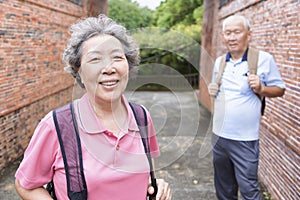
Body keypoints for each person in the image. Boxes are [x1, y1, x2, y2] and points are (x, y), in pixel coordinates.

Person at [15, 14, 172, 200]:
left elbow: (144, 174)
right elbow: (26, 185)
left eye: (117, 57)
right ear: (78, 71)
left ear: (128, 65)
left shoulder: (141, 116)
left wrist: (155, 186)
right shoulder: (57, 126)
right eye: (95, 59)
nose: (108, 68)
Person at [208, 15, 285, 200]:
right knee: (224, 190)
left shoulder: (263, 59)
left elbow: (280, 90)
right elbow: (217, 93)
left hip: (245, 140)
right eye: (228, 33)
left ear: (248, 35)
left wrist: (261, 88)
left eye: (237, 32)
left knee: (249, 189)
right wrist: (213, 88)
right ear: (223, 37)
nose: (232, 37)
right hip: (219, 138)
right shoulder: (220, 62)